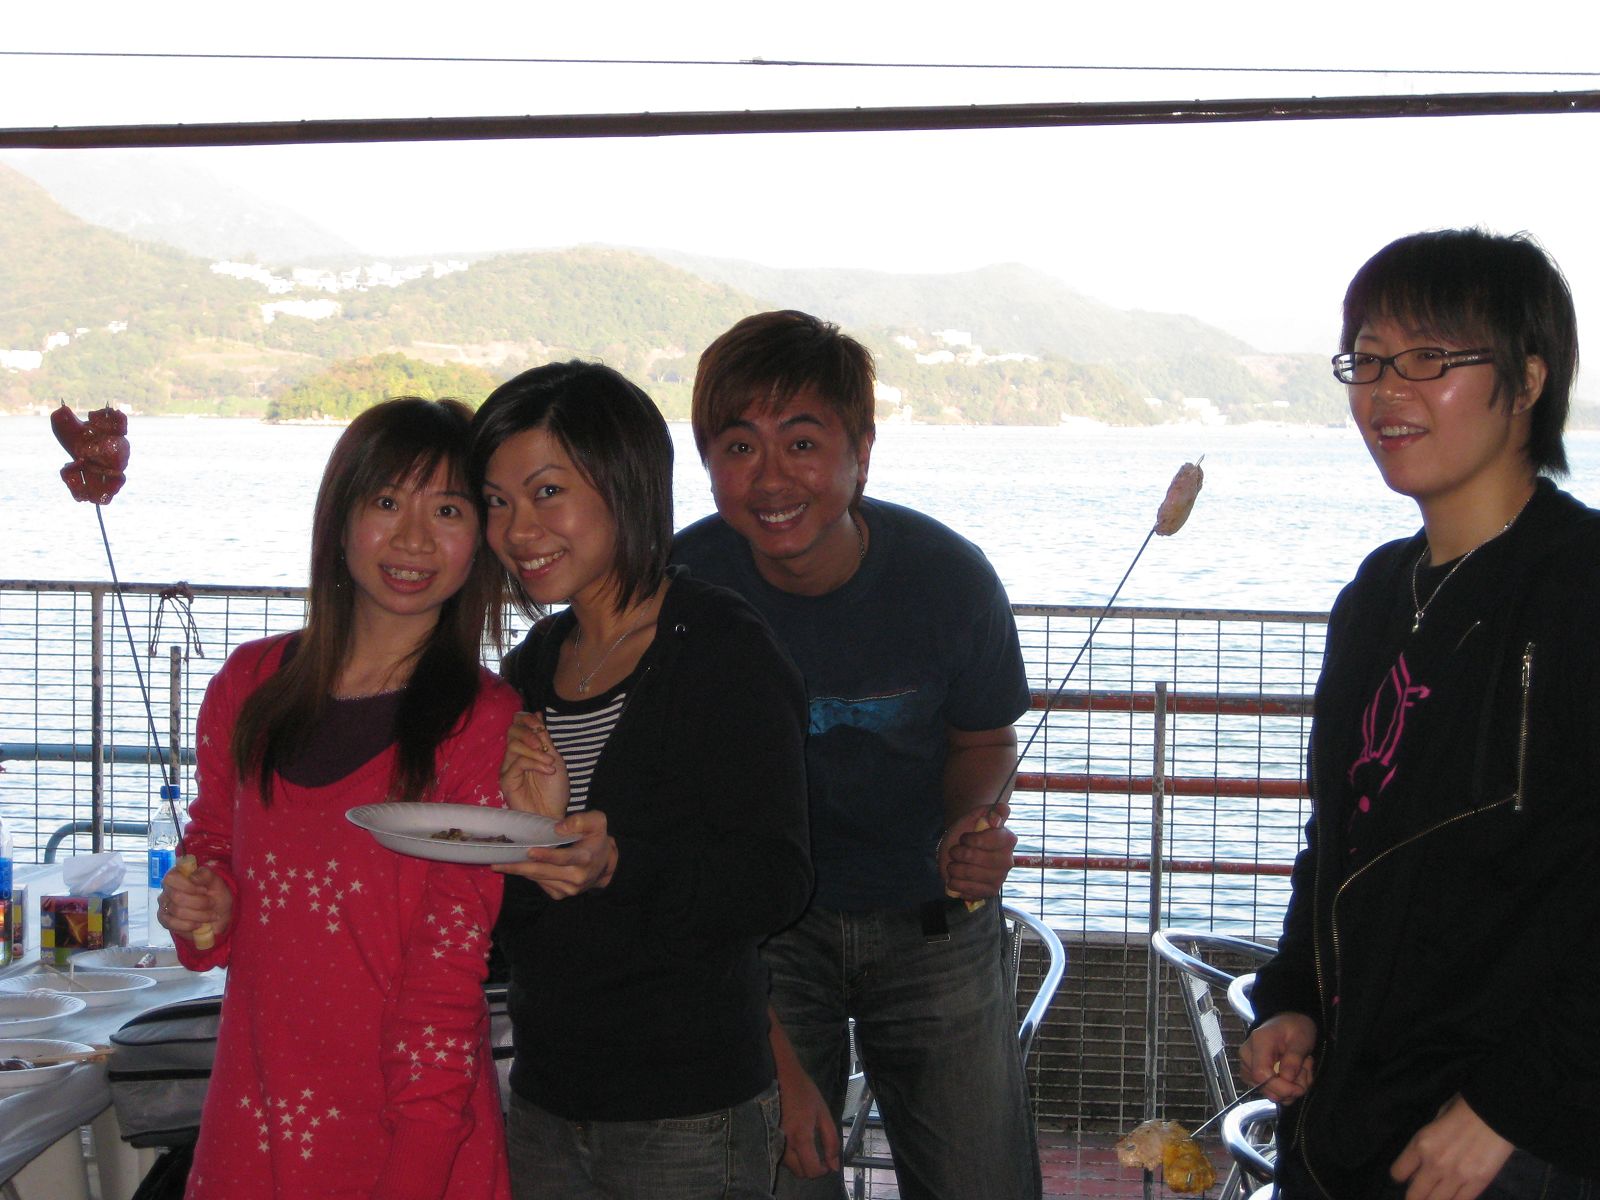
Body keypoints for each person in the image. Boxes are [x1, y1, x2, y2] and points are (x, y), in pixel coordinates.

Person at [1240, 229, 1600, 1200]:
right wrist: (1294, 1000)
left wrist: (1513, 1108)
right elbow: (1340, 839)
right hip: (1354, 1123)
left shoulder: (1578, 587)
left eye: (1430, 359)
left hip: (1519, 1146)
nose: (1385, 392)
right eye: (1367, 361)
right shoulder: (1374, 596)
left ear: (1527, 381)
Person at [672, 310, 1042, 1200]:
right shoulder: (680, 588)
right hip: (763, 935)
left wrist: (969, 821)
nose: (771, 478)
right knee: (778, 1177)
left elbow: (985, 737)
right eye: (738, 446)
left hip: (931, 920)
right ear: (707, 463)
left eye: (802, 443)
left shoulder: (949, 579)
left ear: (861, 453)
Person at [158, 397, 522, 1200]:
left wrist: (415, 1170)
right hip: (252, 1123)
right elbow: (211, 859)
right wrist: (205, 904)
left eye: (448, 510)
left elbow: (449, 973)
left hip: (412, 1136)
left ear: (481, 539)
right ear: (340, 519)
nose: (414, 539)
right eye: (387, 502)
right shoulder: (248, 686)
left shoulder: (483, 723)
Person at [468, 360, 812, 1200]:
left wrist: (619, 862)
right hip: (546, 1096)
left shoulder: (718, 649)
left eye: (548, 493)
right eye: (497, 502)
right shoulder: (533, 667)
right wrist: (513, 852)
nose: (518, 530)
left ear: (625, 485)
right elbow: (526, 915)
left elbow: (775, 880)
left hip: (687, 1111)